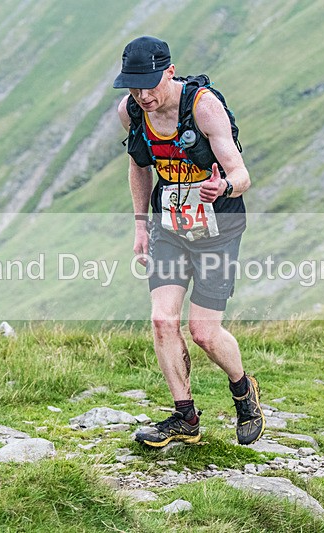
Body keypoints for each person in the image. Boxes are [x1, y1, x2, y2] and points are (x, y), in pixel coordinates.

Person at [113, 36, 264, 447]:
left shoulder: (203, 106)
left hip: (218, 227)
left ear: (170, 71)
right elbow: (140, 168)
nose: (142, 95)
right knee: (162, 319)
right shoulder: (130, 112)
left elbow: (242, 174)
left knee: (203, 331)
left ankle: (242, 390)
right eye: (133, 86)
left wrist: (225, 188)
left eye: (149, 85)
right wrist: (141, 226)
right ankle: (185, 417)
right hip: (170, 224)